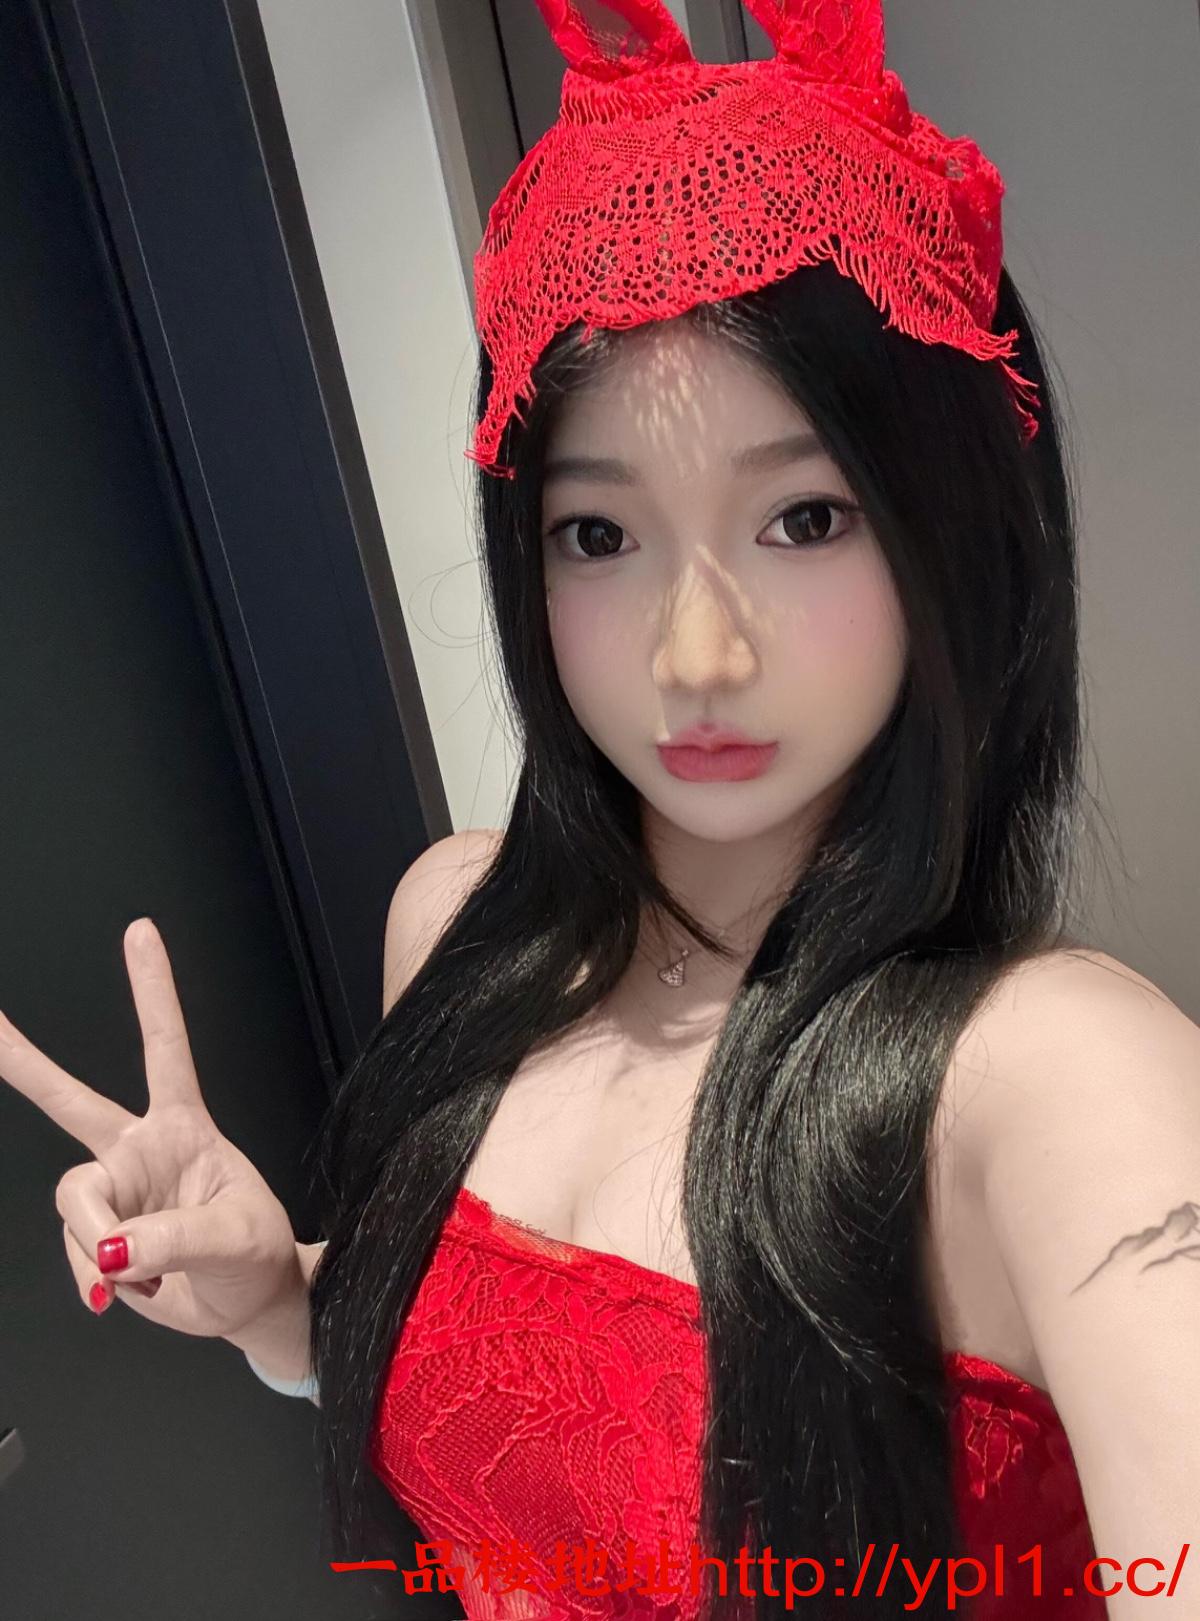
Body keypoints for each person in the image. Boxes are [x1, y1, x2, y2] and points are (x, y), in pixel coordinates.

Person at [3, 2, 1198, 1618]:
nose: (696, 656)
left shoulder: (1055, 1083)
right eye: (598, 535)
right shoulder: (457, 926)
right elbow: (522, 1446)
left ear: (954, 527)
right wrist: (282, 1301)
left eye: (804, 517)